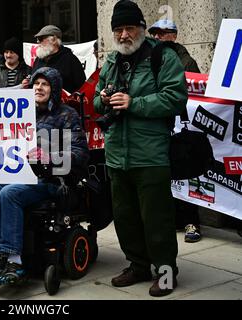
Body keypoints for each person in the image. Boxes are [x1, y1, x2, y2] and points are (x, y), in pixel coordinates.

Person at [93, 0, 188, 297]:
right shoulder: (111, 61)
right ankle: (137, 265)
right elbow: (96, 99)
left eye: (129, 28)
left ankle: (165, 272)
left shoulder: (163, 55)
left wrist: (135, 103)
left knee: (157, 219)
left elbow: (176, 98)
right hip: (117, 154)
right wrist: (105, 100)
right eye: (118, 29)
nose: (123, 35)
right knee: (125, 217)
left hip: (151, 154)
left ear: (142, 28)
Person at [0, 67, 89, 285]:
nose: (39, 88)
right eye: (36, 84)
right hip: (19, 173)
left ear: (54, 88)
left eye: (45, 84)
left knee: (10, 193)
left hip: (52, 179)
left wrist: (50, 156)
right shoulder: (20, 113)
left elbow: (79, 153)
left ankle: (15, 260)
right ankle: (0, 255)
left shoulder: (66, 114)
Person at [148, 19, 202, 243]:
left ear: (174, 35)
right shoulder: (150, 59)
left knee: (184, 173)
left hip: (181, 125)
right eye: (155, 34)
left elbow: (198, 97)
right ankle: (172, 219)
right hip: (159, 126)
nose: (158, 37)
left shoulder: (187, 61)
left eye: (163, 33)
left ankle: (191, 222)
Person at [32, 25, 85, 94]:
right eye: (37, 39)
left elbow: (81, 87)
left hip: (63, 103)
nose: (38, 42)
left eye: (41, 39)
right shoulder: (38, 59)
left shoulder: (70, 59)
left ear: (54, 40)